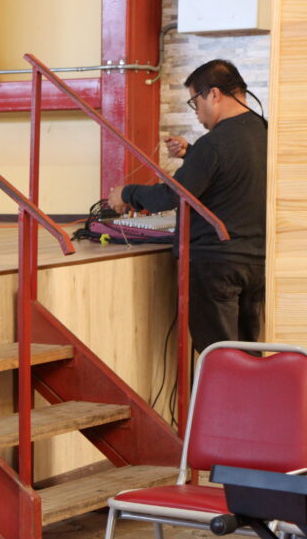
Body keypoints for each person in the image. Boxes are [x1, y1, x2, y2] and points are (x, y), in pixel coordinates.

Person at [107, 59, 266, 353]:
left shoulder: (214, 143)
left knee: (218, 355)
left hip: (216, 265)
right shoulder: (265, 132)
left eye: (195, 101)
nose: (196, 112)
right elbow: (231, 174)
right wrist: (190, 154)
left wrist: (127, 193)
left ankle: (219, 388)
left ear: (214, 94)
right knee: (248, 353)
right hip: (256, 262)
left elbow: (171, 196)